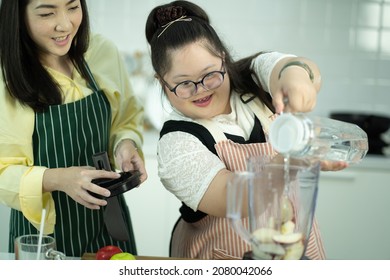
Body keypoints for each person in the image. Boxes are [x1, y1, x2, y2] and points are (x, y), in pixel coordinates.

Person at [145, 0, 347, 260]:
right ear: (162, 83)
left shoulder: (253, 78)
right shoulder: (176, 142)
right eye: (184, 84)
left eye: (210, 75)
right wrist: (292, 160)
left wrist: (298, 80)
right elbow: (234, 198)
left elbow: (291, 68)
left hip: (299, 253)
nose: (202, 89)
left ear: (223, 58)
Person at [0, 0, 147, 257]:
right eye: (47, 13)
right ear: (18, 16)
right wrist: (59, 179)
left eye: (72, 7)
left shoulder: (101, 51)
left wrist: (125, 143)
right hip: (43, 237)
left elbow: (126, 119)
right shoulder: (6, 77)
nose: (65, 24)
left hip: (110, 224)